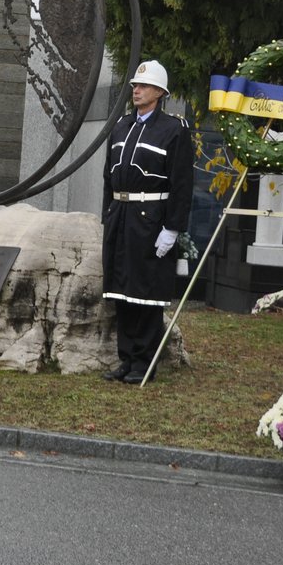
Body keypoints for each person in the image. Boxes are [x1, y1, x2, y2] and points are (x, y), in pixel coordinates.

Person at [101, 59, 194, 385]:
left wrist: (172, 228)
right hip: (121, 215)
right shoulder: (122, 125)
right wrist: (107, 216)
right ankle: (126, 359)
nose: (136, 90)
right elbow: (107, 177)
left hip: (151, 219)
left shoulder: (173, 129)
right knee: (122, 291)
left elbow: (182, 184)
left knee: (146, 294)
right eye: (134, 86)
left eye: (142, 86)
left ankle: (144, 362)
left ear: (159, 92)